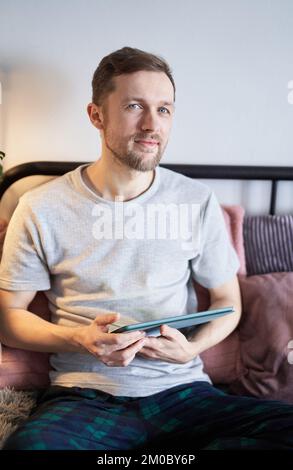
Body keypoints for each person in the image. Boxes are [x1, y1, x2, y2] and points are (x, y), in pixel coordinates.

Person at [0, 46, 292, 451]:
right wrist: (80, 339)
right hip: (85, 396)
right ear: (96, 115)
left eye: (165, 109)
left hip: (185, 393)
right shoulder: (40, 206)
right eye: (135, 106)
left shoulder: (196, 200)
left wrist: (193, 347)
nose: (152, 125)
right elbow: (9, 318)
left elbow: (229, 301)